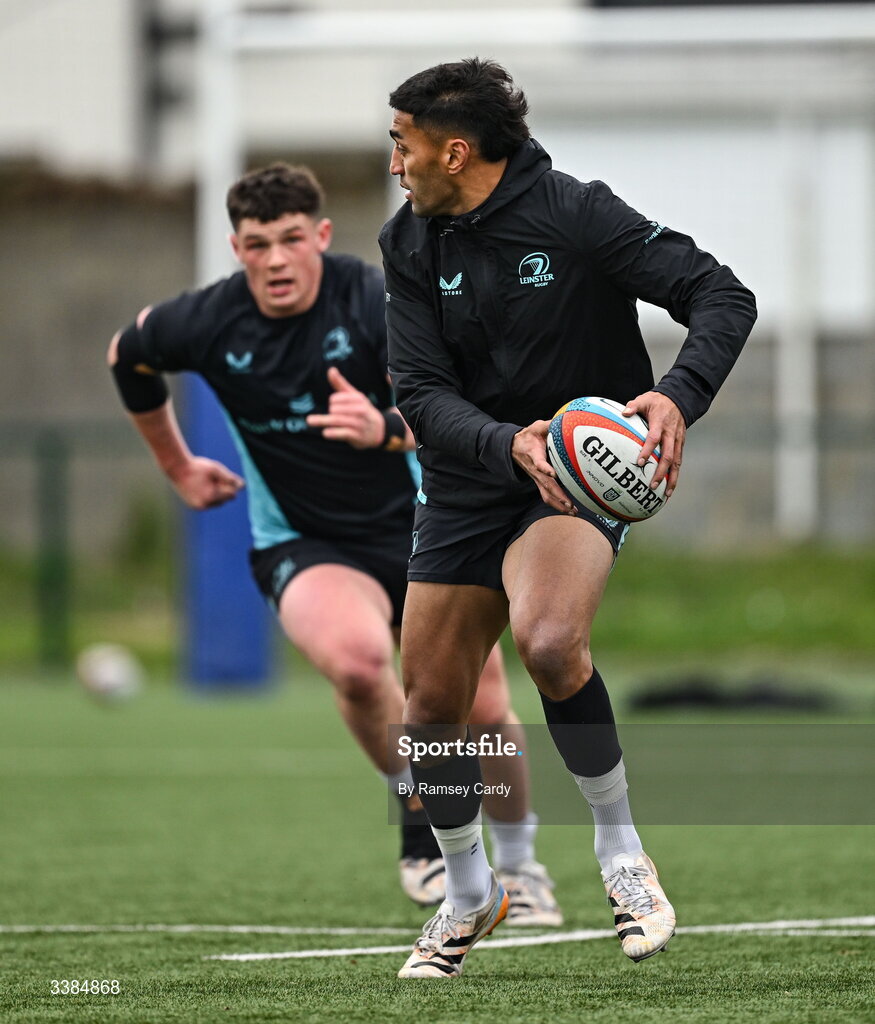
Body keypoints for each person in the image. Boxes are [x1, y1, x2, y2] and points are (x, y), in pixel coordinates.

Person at [107, 162, 562, 925]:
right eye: (257, 245)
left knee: (481, 704)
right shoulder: (209, 320)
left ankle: (520, 861)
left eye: (290, 239)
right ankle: (425, 829)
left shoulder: (375, 302)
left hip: (426, 523)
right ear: (236, 248)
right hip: (304, 538)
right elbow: (129, 357)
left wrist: (383, 428)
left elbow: (466, 407)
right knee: (356, 666)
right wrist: (179, 467)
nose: (276, 260)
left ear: (319, 235)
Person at [380, 59, 757, 978]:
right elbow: (421, 394)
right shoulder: (409, 243)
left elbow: (722, 294)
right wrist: (505, 443)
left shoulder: (578, 213)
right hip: (474, 473)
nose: (395, 163)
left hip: (575, 485)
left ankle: (622, 857)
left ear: (454, 151)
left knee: (548, 643)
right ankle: (472, 895)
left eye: (403, 144)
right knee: (429, 700)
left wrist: (676, 396)